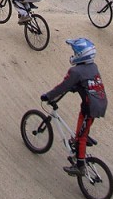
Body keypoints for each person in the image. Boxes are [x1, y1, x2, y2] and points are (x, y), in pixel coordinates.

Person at [41, 38, 108, 177]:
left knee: (80, 138)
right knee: (82, 126)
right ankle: (82, 138)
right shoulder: (93, 67)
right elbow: (87, 81)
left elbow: (62, 87)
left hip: (90, 108)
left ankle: (80, 166)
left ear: (81, 55)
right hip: (99, 103)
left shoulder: (75, 71)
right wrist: (76, 86)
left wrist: (48, 96)